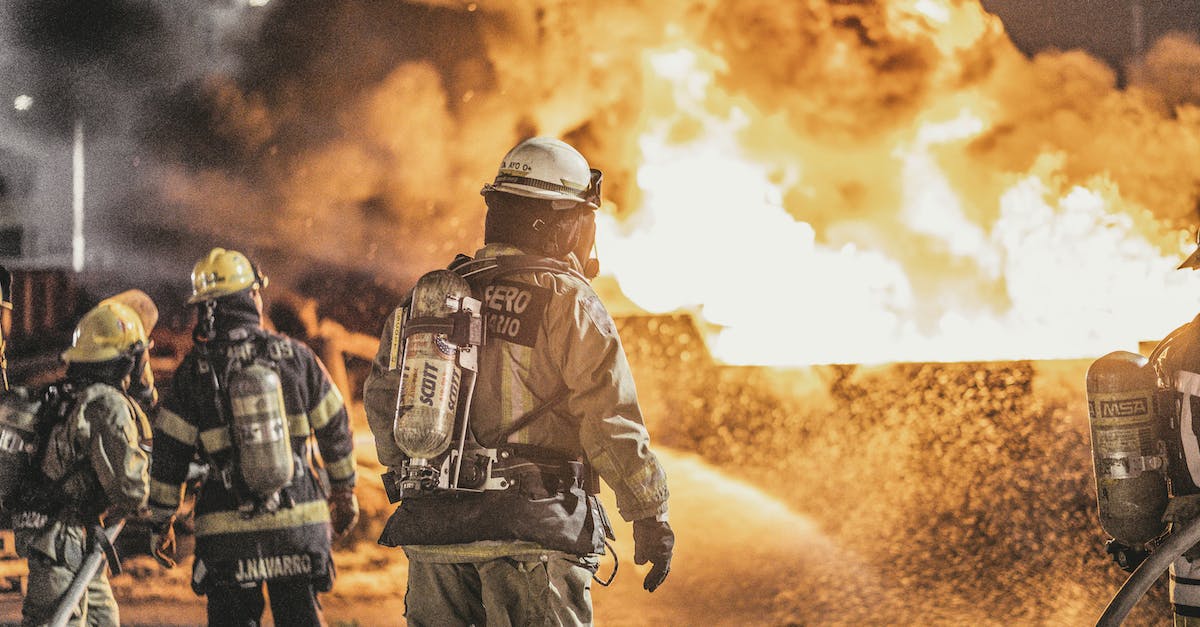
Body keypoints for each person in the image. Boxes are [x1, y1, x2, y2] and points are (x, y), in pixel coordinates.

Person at [364, 136, 674, 626]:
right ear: (556, 222)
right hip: (533, 531)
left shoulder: (428, 299)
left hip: (435, 534)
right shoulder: (565, 298)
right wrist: (649, 513)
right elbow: (610, 419)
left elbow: (384, 400)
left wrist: (419, 478)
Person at [146, 247, 359, 626]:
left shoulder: (194, 372)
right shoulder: (296, 356)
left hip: (228, 536)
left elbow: (168, 454)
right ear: (252, 297)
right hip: (297, 526)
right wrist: (344, 491)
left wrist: (161, 520)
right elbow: (335, 424)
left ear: (207, 309)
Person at [11, 300, 152, 626]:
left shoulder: (65, 395)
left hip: (73, 540)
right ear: (127, 360)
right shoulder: (107, 404)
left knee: (103, 620)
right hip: (62, 543)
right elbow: (131, 491)